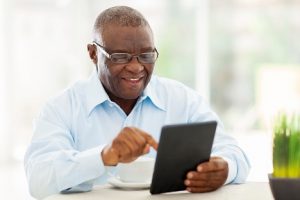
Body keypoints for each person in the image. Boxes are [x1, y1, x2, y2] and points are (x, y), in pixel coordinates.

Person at [24, 6, 250, 199]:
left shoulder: (182, 100)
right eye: (120, 57)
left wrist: (224, 168)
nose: (136, 67)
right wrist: (104, 156)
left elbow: (235, 153)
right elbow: (38, 179)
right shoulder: (62, 107)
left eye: (146, 55)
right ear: (93, 54)